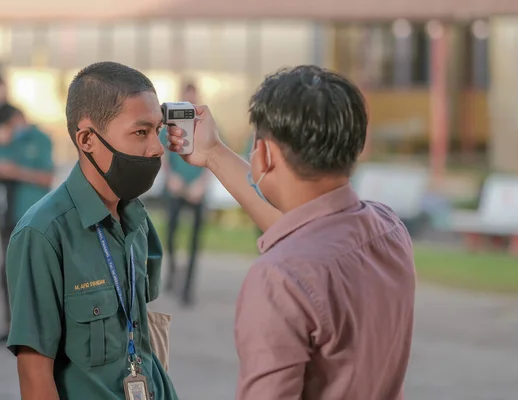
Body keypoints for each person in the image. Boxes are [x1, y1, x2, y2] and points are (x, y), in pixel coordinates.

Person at [167, 66, 415, 400]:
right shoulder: (389, 230)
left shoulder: (279, 278)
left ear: (265, 153)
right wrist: (212, 152)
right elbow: (303, 229)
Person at [5, 62, 178, 400]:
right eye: (141, 132)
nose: (157, 148)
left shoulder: (137, 219)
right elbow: (34, 373)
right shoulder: (43, 234)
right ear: (87, 140)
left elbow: (139, 334)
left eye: (158, 131)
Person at [0, 103, 55, 343]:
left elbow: (46, 177)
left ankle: (40, 330)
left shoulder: (40, 140)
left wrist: (16, 171)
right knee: (6, 273)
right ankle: (11, 327)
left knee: (36, 275)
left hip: (33, 219)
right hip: (8, 216)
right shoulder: (4, 142)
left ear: (18, 119)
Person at [160, 83, 210, 307]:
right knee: (170, 234)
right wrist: (171, 178)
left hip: (197, 189)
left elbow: (215, 154)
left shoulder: (206, 126)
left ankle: (188, 288)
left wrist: (201, 184)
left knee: (194, 241)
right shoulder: (170, 124)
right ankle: (171, 272)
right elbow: (162, 153)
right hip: (176, 187)